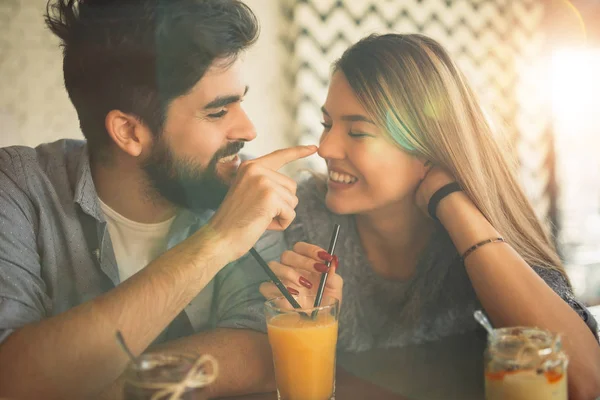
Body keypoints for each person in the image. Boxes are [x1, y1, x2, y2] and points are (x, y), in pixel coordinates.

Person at [0, 1, 317, 399]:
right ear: (130, 132)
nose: (249, 130)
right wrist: (218, 241)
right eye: (218, 112)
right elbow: (11, 378)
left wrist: (87, 382)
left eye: (240, 101)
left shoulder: (245, 184)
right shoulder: (19, 186)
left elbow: (262, 348)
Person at [260, 33, 600, 399]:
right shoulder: (303, 217)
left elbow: (585, 379)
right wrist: (308, 319)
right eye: (327, 124)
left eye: (358, 132)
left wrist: (451, 203)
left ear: (427, 149)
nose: (326, 148)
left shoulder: (483, 215)